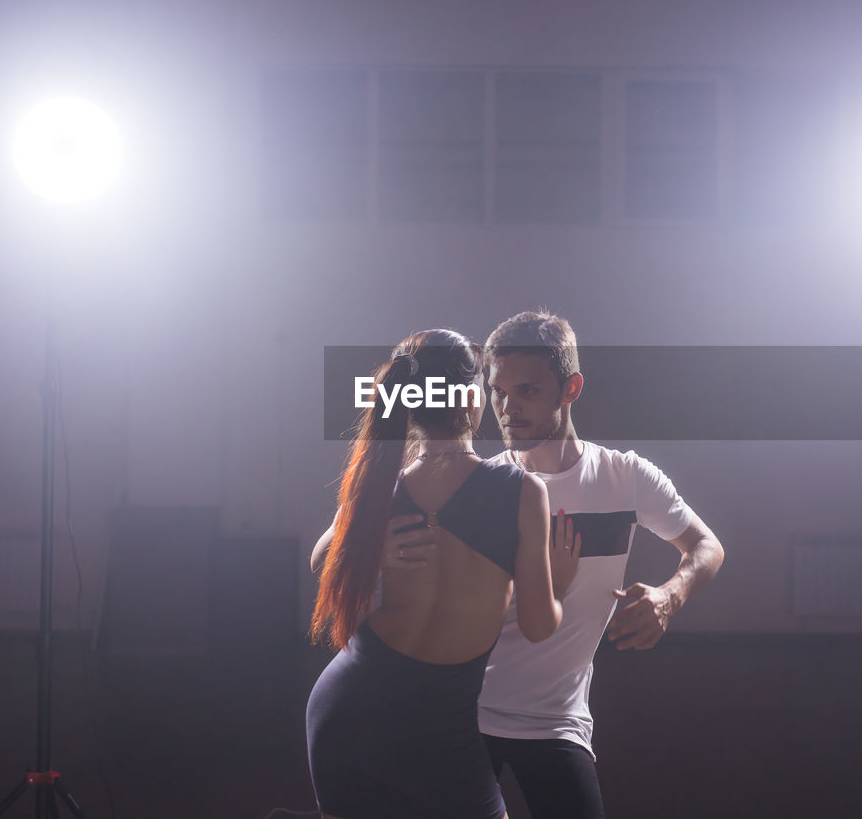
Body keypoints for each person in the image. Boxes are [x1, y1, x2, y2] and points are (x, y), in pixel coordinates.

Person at [313, 312, 725, 819]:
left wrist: (670, 595)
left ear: (570, 388)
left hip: (554, 722)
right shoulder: (487, 484)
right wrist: (373, 549)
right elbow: (334, 548)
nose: (508, 409)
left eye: (526, 392)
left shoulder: (627, 478)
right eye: (498, 393)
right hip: (460, 714)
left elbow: (706, 546)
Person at [306, 329, 579, 819]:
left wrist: (372, 550)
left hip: (348, 712)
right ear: (472, 399)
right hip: (436, 724)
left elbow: (319, 560)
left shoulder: (384, 484)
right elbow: (540, 626)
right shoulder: (521, 490)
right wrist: (557, 583)